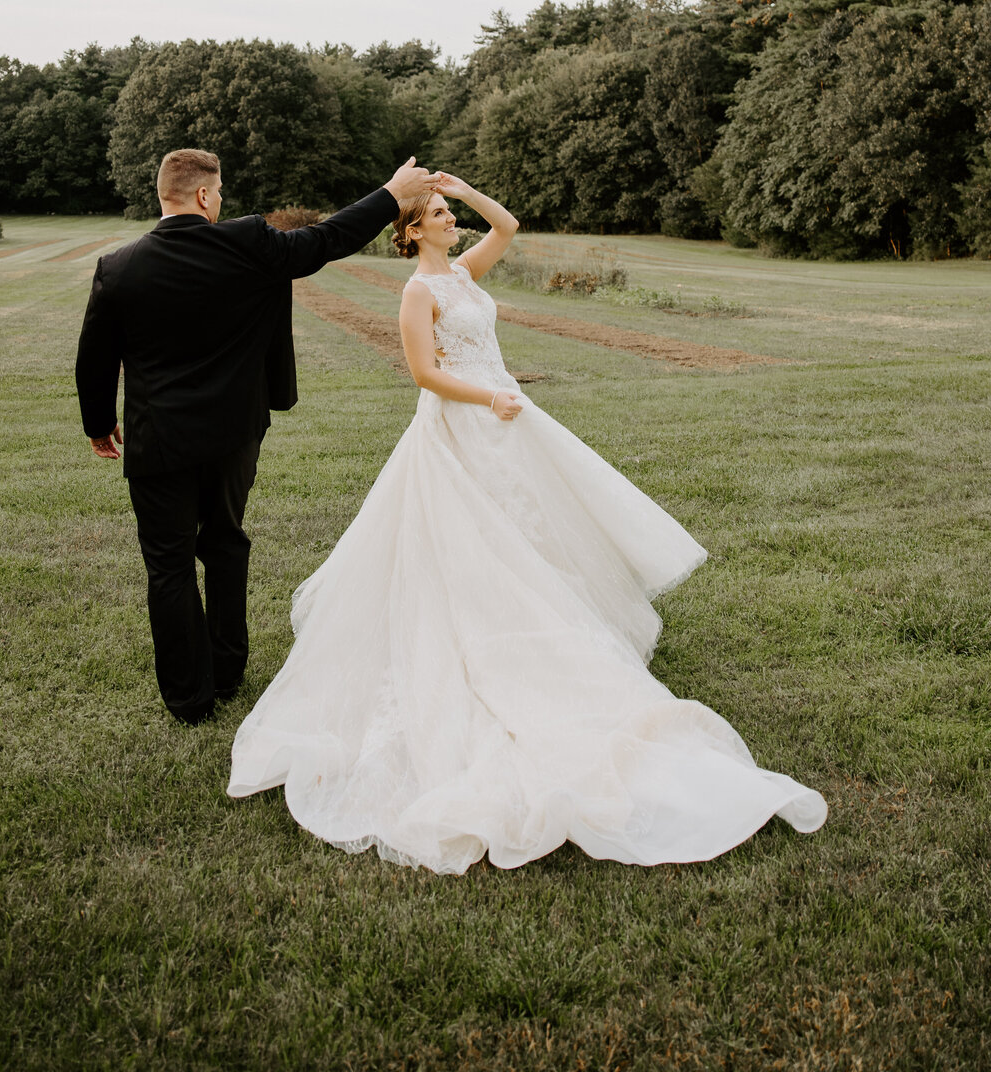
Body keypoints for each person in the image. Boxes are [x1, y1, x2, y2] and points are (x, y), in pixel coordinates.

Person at [228, 174, 828, 872]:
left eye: (451, 212)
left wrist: (465, 186)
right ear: (412, 230)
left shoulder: (462, 272)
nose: (453, 220)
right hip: (463, 427)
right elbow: (423, 373)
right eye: (441, 214)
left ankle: (551, 629)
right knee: (475, 550)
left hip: (505, 425)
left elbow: (508, 226)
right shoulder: (418, 291)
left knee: (535, 540)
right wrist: (490, 395)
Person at [75, 147, 439, 726]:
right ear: (201, 195)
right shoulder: (248, 243)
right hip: (234, 434)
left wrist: (99, 425)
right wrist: (392, 194)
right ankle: (227, 670)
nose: (221, 202)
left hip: (157, 440)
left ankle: (188, 701)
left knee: (167, 566)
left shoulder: (118, 267)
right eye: (217, 192)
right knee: (224, 543)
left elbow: (94, 358)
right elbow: (327, 240)